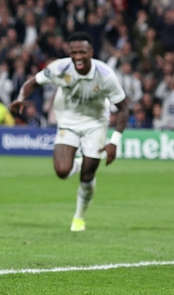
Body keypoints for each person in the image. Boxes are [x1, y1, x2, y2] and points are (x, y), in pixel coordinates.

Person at [10, 32, 129, 232]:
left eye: (82, 52)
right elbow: (33, 82)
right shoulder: (60, 67)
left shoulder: (106, 75)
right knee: (62, 171)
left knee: (87, 176)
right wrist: (20, 97)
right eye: (73, 52)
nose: (78, 57)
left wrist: (114, 141)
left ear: (91, 52)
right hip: (68, 121)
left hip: (95, 123)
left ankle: (79, 217)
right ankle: (83, 161)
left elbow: (124, 108)